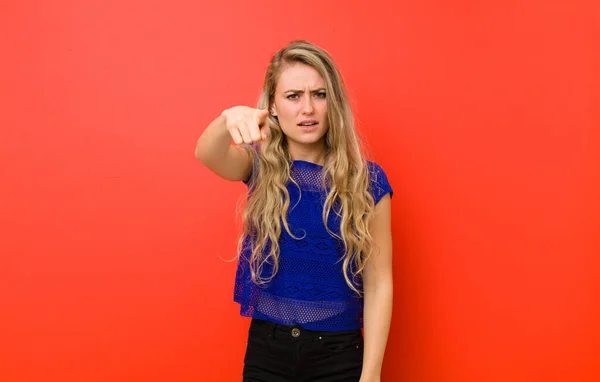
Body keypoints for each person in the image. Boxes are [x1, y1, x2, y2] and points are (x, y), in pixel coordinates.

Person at [195, 40, 393, 382]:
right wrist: (227, 118)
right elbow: (208, 155)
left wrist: (371, 374)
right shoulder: (260, 166)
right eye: (293, 96)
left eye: (319, 94)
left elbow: (379, 283)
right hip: (267, 352)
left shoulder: (368, 180)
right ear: (272, 106)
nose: (308, 109)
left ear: (334, 102)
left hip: (339, 356)